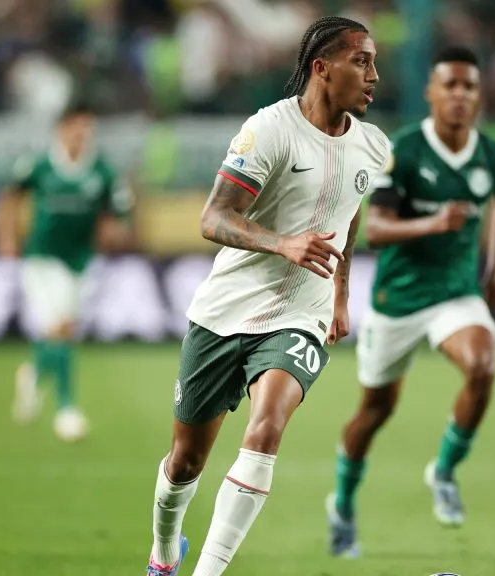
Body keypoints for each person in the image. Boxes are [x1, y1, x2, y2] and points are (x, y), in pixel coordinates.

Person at [145, 16, 390, 576]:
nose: (374, 75)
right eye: (362, 61)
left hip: (301, 315)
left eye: (375, 62)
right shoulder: (269, 130)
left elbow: (348, 221)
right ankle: (164, 552)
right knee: (185, 462)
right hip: (225, 312)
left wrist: (341, 296)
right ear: (321, 68)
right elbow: (214, 218)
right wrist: (283, 243)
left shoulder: (373, 147)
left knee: (267, 428)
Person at [326, 46, 495, 557]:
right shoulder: (405, 152)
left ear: (479, 97)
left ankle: (445, 471)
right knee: (374, 412)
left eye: (469, 87)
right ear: (431, 93)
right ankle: (343, 503)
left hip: (455, 295)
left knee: (483, 363)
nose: (459, 95)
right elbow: (377, 230)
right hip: (398, 300)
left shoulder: (494, 158)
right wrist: (435, 222)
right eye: (449, 85)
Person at [0, 101, 134, 442]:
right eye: (76, 127)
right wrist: (7, 238)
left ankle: (33, 374)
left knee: (63, 329)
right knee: (61, 331)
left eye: (87, 128)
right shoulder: (39, 165)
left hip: (81, 260)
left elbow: (117, 213)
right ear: (62, 130)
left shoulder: (101, 171)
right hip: (42, 258)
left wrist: (113, 233)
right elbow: (9, 199)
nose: (81, 135)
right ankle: (66, 408)